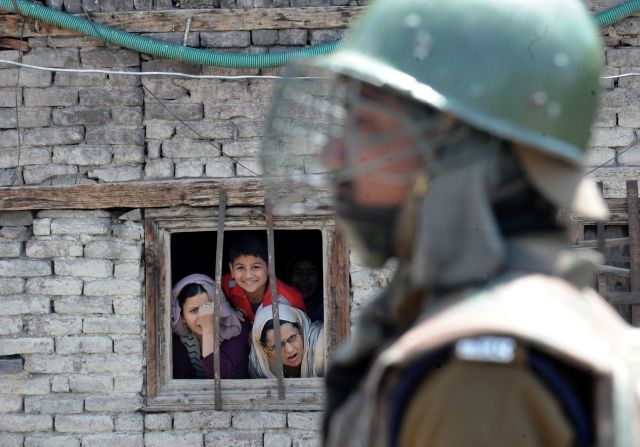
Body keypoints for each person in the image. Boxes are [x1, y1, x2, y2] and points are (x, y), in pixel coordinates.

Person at [260, 0, 640, 445]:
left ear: (459, 149)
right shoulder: (572, 319)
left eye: (366, 123)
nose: (333, 155)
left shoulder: (479, 374)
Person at [171, 273, 250, 379]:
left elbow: (221, 376)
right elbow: (184, 378)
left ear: (220, 307)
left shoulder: (237, 327)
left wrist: (208, 327)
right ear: (182, 317)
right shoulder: (178, 340)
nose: (204, 315)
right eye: (194, 310)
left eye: (209, 307)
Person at [222, 233, 308, 321]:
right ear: (232, 270)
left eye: (256, 267)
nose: (248, 275)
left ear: (269, 267)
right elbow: (208, 288)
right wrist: (227, 309)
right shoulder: (228, 283)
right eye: (240, 268)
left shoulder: (290, 300)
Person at [248, 301, 324, 378]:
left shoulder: (322, 348)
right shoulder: (260, 365)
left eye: (292, 337)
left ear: (301, 330)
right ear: (265, 349)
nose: (289, 349)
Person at [287, 251, 324, 322]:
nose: (304, 278)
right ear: (289, 276)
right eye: (298, 273)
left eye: (311, 273)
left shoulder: (328, 307)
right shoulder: (281, 305)